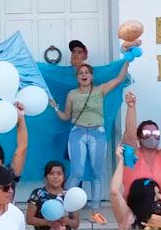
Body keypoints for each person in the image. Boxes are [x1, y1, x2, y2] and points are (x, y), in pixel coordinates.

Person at [49, 62, 130, 207]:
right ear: (77, 77)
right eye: (80, 73)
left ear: (91, 76)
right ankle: (63, 206)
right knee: (76, 173)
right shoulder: (72, 94)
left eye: (86, 72)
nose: (84, 74)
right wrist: (55, 108)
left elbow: (119, 79)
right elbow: (66, 117)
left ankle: (96, 210)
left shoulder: (100, 90)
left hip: (97, 134)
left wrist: (127, 61)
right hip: (77, 134)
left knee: (96, 175)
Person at [109, 145, 161, 230]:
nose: (160, 198)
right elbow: (114, 191)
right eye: (154, 194)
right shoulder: (128, 216)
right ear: (142, 197)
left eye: (160, 193)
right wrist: (121, 160)